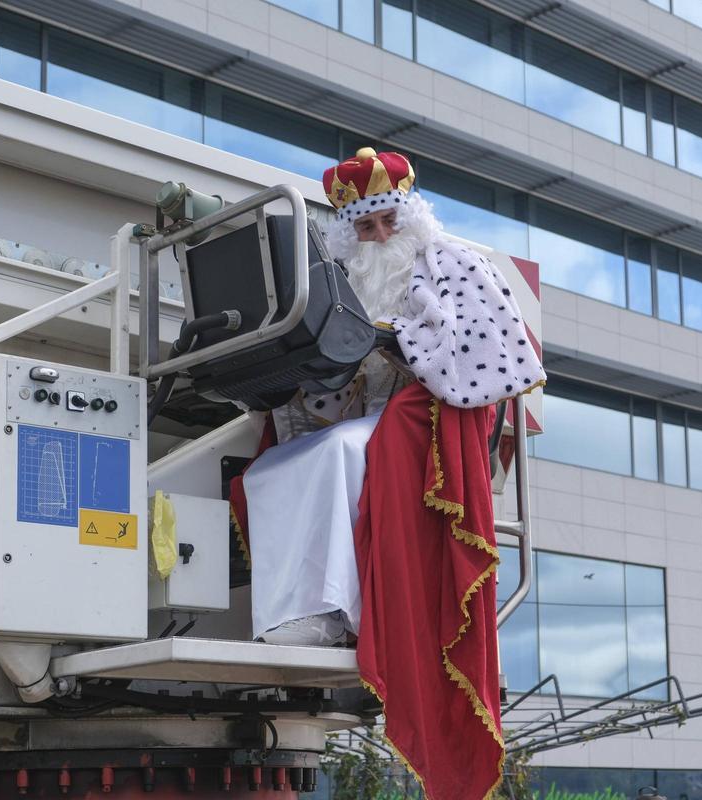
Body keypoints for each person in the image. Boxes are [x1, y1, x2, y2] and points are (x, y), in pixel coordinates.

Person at [236, 147, 546, 800]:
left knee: (336, 455)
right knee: (273, 468)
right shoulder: (345, 283)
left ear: (409, 219)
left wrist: (399, 337)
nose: (379, 237)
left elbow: (489, 355)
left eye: (387, 223)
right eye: (366, 227)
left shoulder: (457, 264)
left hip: (426, 425)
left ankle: (333, 611)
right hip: (369, 418)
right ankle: (294, 611)